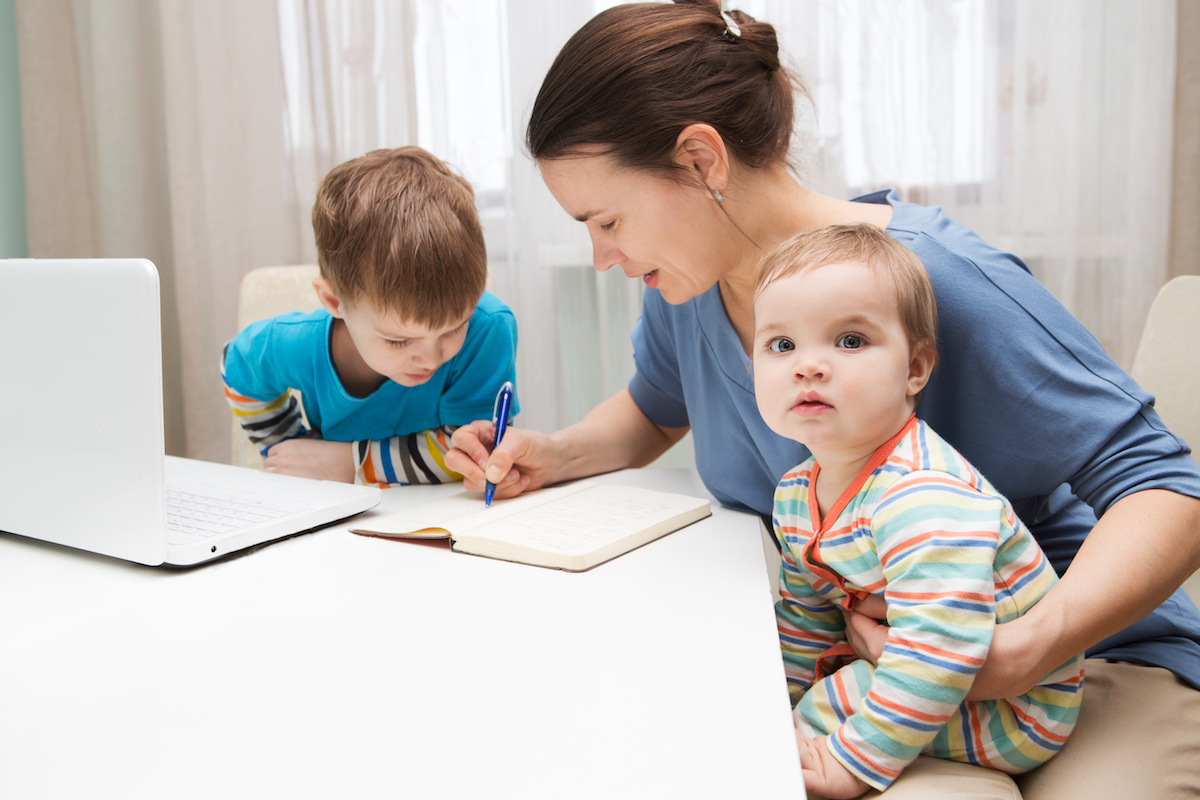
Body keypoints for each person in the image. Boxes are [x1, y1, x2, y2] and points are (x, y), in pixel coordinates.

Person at [444, 2, 1200, 796]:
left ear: (702, 160)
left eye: (607, 219)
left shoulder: (933, 283)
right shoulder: (684, 291)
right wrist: (552, 453)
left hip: (1090, 653)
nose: (601, 256)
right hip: (891, 675)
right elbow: (657, 407)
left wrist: (1027, 646)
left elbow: (1168, 490)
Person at [754, 224, 1083, 798]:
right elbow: (806, 615)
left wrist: (850, 763)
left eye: (850, 341)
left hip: (1014, 706)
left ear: (915, 369)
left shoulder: (921, 494)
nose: (808, 366)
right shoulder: (794, 493)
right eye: (782, 346)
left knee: (818, 717)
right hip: (921, 661)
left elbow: (939, 652)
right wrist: (773, 697)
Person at [223, 146, 519, 487]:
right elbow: (237, 368)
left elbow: (469, 455)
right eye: (398, 340)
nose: (432, 357)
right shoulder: (298, 343)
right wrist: (290, 450)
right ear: (334, 301)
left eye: (455, 328)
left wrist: (351, 463)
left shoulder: (487, 329)